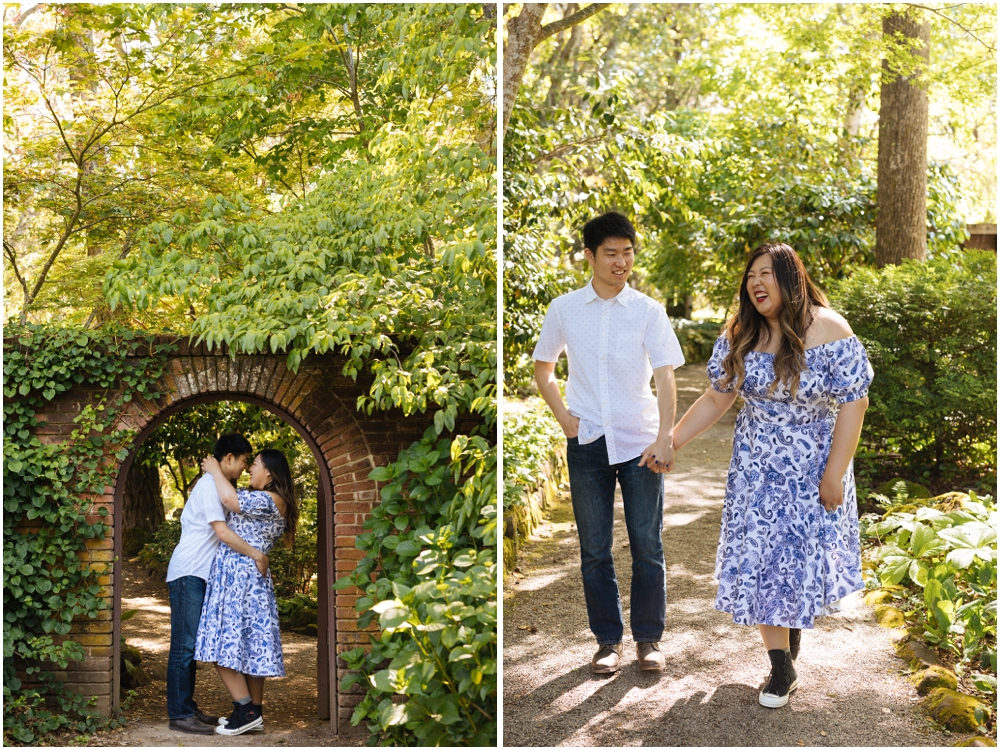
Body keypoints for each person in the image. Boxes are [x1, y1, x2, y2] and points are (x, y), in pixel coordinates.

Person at [672, 242, 873, 708]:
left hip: (812, 467)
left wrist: (834, 475)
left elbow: (854, 401)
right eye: (750, 276)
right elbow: (717, 397)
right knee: (764, 560)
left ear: (791, 277)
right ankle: (780, 666)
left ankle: (789, 641)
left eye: (766, 273)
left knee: (797, 562)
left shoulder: (828, 328)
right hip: (756, 470)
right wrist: (673, 440)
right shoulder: (741, 333)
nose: (756, 283)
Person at [532, 211, 685, 674]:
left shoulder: (647, 311)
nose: (622, 262)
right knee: (594, 548)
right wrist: (565, 419)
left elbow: (665, 376)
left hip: (640, 442)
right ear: (589, 256)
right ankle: (607, 641)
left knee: (647, 544)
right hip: (587, 443)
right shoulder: (564, 309)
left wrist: (665, 437)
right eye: (611, 253)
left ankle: (649, 640)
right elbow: (544, 367)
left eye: (628, 252)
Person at [165, 433, 268, 734]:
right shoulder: (209, 485)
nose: (246, 466)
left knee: (190, 645)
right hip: (189, 571)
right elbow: (222, 532)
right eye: (245, 460)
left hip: (198, 573)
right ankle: (179, 714)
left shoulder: (219, 484)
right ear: (229, 458)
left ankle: (187, 708)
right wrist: (255, 555)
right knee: (183, 646)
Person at [195, 448, 299, 735]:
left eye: (254, 465)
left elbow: (229, 500)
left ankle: (245, 710)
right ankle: (255, 712)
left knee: (221, 643)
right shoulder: (274, 500)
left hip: (239, 576)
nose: (250, 469)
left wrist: (214, 469)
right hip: (251, 578)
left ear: (269, 472)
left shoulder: (269, 499)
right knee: (251, 647)